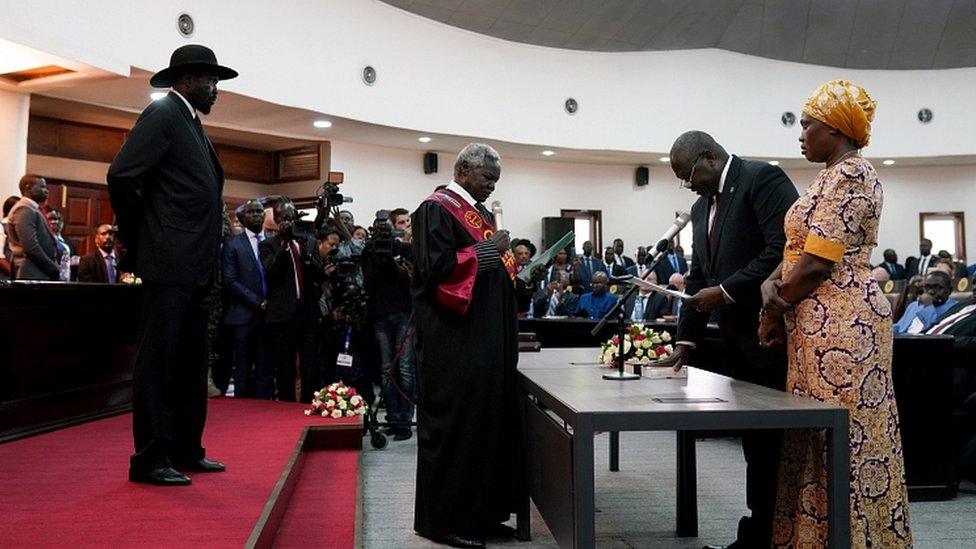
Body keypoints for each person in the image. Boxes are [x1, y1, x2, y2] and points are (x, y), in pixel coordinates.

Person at [759, 80, 912, 548]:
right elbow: (797, 254)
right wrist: (772, 283)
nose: (800, 134)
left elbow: (818, 261)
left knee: (845, 435)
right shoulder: (826, 176)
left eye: (808, 125)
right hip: (813, 323)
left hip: (844, 326)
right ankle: (813, 536)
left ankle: (856, 539)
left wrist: (774, 305)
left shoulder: (853, 176)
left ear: (837, 130)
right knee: (812, 434)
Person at [658, 129, 798, 549]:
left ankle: (778, 533)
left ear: (709, 157)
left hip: (773, 335)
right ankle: (759, 531)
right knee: (755, 444)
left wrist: (726, 292)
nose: (687, 184)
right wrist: (686, 341)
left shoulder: (762, 179)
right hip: (738, 344)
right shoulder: (702, 208)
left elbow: (782, 250)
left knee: (775, 446)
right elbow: (700, 274)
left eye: (687, 175)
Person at [107, 44, 237, 486]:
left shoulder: (191, 122)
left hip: (197, 264)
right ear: (185, 81)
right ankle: (149, 459)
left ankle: (184, 449)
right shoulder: (164, 114)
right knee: (159, 363)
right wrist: (144, 239)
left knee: (189, 362)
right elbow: (122, 175)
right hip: (171, 261)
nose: (215, 89)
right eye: (210, 81)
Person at [412, 143, 523, 548]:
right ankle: (443, 520)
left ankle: (481, 515)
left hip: (484, 346)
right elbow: (435, 272)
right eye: (486, 178)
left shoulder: (478, 214)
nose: (491, 186)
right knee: (457, 430)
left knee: (485, 427)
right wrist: (489, 251)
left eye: (495, 179)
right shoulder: (435, 209)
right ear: (462, 171)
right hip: (454, 347)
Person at [260, 199, 320, 402]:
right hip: (283, 315)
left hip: (308, 312)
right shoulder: (268, 245)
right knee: (284, 366)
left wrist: (308, 256)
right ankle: (286, 407)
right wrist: (284, 245)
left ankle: (308, 403)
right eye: (284, 218)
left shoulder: (308, 241)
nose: (288, 222)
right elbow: (271, 274)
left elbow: (319, 274)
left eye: (291, 217)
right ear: (276, 220)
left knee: (309, 364)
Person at [363, 210, 416, 441]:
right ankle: (392, 418)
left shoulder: (407, 249)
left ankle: (405, 420)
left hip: (405, 312)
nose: (406, 226)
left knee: (405, 368)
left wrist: (395, 255)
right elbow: (368, 281)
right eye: (401, 223)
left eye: (407, 223)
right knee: (386, 370)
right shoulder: (370, 250)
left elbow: (409, 280)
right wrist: (377, 254)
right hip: (380, 313)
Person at [220, 200, 272, 398]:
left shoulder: (271, 241)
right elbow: (230, 280)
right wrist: (258, 302)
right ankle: (243, 407)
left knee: (265, 366)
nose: (257, 215)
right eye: (251, 212)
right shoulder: (233, 244)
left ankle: (264, 407)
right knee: (243, 366)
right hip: (242, 315)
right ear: (243, 217)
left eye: (260, 211)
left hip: (269, 315)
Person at [7, 175, 59, 281]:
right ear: (28, 188)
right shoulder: (23, 209)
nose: (46, 191)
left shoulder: (32, 208)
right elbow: (31, 246)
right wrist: (52, 268)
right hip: (30, 272)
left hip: (36, 271)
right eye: (42, 187)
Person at [892, 271, 956, 333]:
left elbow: (933, 332)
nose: (931, 292)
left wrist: (928, 306)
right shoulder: (914, 305)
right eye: (927, 287)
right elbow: (899, 327)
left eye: (938, 288)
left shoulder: (955, 309)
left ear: (950, 290)